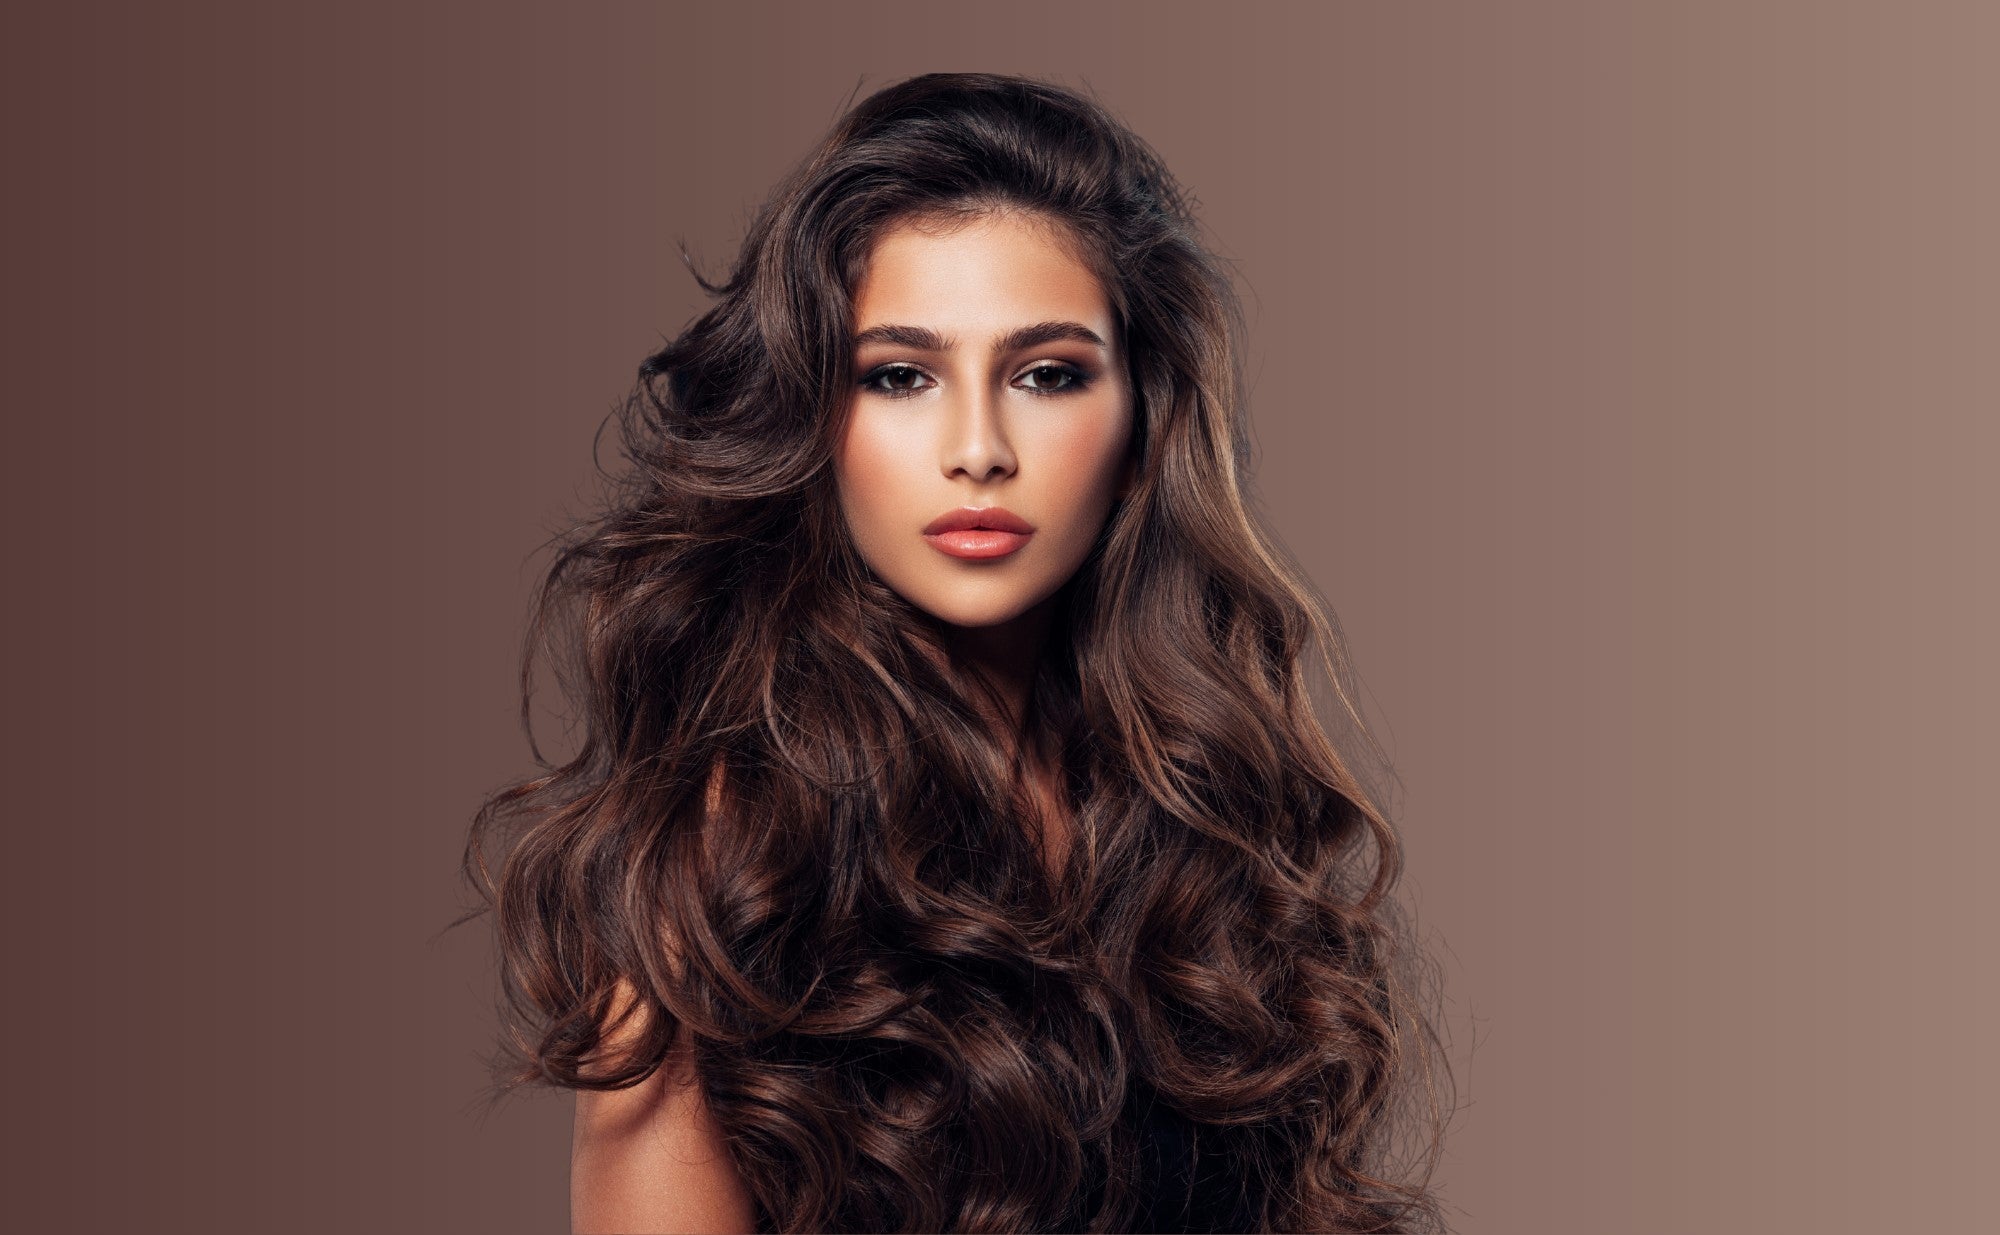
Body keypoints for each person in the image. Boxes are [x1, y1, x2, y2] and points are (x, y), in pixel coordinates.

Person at [462, 72, 1448, 1233]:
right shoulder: (722, 860)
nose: (976, 447)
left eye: (1045, 374)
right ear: (809, 423)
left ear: (1141, 426)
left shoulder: (1199, 816)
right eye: (898, 376)